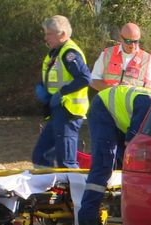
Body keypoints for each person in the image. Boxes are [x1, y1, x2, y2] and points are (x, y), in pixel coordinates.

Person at [78, 85, 151, 225]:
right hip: (103, 107)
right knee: (103, 165)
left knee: (127, 167)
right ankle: (87, 219)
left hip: (118, 113)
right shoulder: (149, 107)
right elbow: (131, 143)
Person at [32, 15, 91, 168]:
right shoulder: (55, 53)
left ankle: (72, 191)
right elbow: (54, 77)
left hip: (68, 112)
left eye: (49, 34)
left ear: (62, 34)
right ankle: (48, 189)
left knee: (66, 161)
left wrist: (61, 93)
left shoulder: (69, 53)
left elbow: (85, 78)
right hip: (57, 111)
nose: (46, 38)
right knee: (40, 156)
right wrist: (43, 90)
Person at [90, 22, 151, 91]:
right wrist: (113, 89)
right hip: (109, 101)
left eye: (135, 41)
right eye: (128, 41)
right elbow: (93, 80)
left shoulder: (147, 60)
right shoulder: (106, 54)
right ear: (121, 38)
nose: (132, 45)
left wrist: (132, 90)